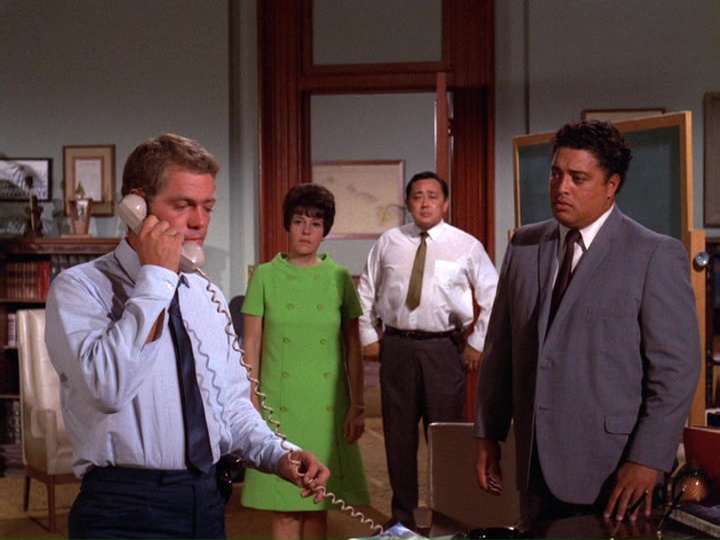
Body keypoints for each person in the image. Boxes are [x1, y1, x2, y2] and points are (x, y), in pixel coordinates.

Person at [45, 134, 330, 540]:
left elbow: (230, 405)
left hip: (206, 500)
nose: (199, 222)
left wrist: (278, 454)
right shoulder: (79, 288)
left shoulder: (205, 293)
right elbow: (108, 388)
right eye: (183, 205)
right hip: (124, 507)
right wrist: (156, 278)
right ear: (137, 206)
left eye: (207, 207)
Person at [474, 120, 701, 526]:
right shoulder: (525, 245)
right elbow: (501, 350)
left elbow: (676, 371)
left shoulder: (654, 254)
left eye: (577, 178)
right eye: (556, 174)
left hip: (614, 469)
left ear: (612, 185)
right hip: (535, 464)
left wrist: (648, 458)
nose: (561, 188)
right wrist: (489, 433)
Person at [357, 171, 499, 529]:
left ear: (445, 204)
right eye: (418, 196)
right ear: (408, 203)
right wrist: (368, 336)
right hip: (397, 349)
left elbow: (494, 296)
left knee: (445, 439)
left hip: (444, 351)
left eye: (433, 196)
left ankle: (448, 518)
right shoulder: (389, 242)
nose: (425, 203)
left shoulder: (466, 245)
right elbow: (365, 292)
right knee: (398, 438)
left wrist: (477, 342)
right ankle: (402, 519)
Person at [241, 183, 370, 540]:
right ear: (288, 224)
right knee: (284, 505)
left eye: (315, 223)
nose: (306, 230)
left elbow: (353, 348)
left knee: (316, 505)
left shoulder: (339, 277)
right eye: (299, 221)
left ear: (325, 229)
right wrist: (250, 400)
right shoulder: (265, 276)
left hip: (327, 405)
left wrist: (358, 406)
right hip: (278, 402)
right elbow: (250, 344)